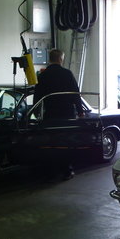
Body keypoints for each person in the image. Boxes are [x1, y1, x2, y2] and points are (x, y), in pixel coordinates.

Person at [33, 49, 84, 180]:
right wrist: (80, 111)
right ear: (61, 59)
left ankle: (51, 172)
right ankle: (67, 170)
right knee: (66, 143)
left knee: (51, 143)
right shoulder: (67, 74)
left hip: (50, 114)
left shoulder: (42, 75)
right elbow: (75, 94)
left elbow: (37, 97)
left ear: (50, 59)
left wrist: (36, 113)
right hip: (66, 114)